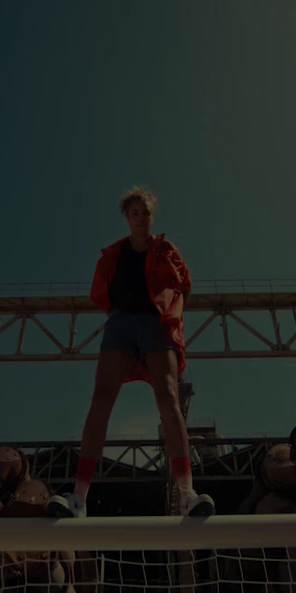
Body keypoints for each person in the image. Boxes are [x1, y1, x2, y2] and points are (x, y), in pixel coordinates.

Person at [45, 186, 215, 518]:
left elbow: (186, 284)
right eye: (134, 212)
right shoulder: (113, 254)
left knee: (168, 394)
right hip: (121, 323)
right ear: (126, 217)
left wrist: (171, 315)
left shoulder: (166, 249)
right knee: (102, 396)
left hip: (155, 323)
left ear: (153, 216)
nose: (140, 217)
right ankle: (78, 499)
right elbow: (101, 291)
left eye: (145, 212)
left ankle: (186, 495)